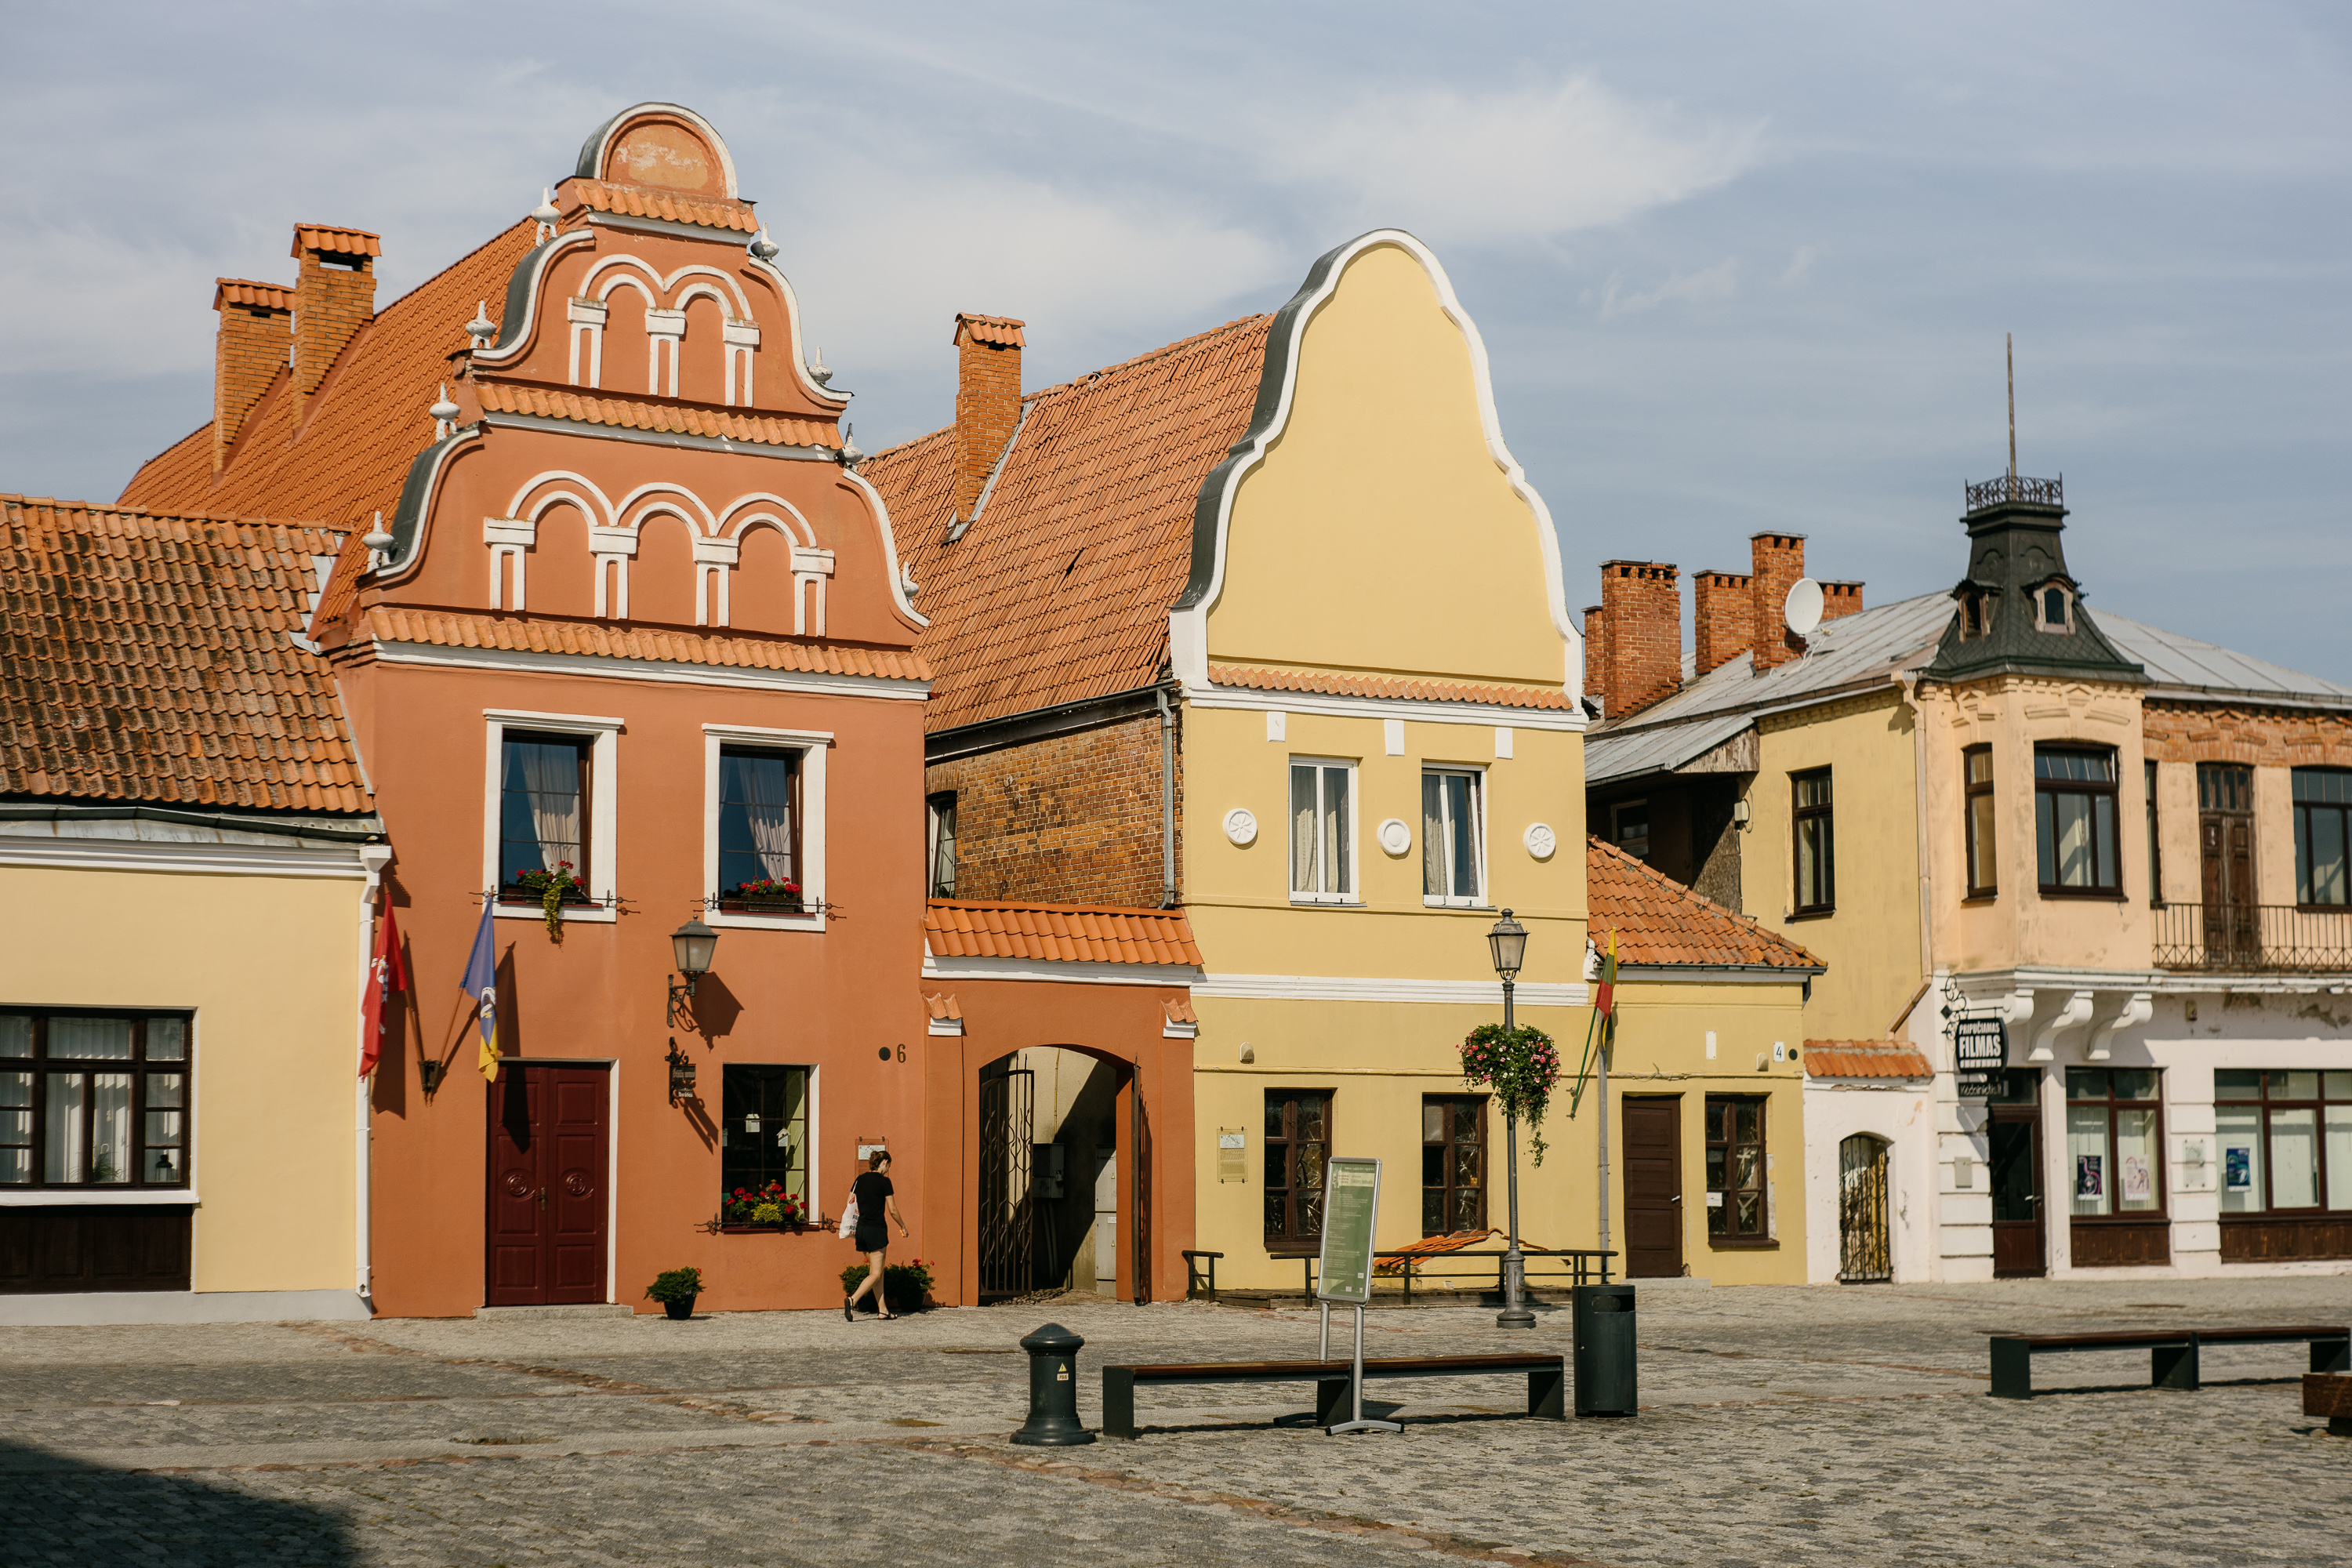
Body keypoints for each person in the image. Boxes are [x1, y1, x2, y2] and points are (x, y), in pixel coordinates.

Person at [843, 1149, 908, 1320]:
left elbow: (850, 1200)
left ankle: (883, 1310)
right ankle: (853, 1300)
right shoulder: (885, 1182)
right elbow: (892, 1210)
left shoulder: (860, 1179)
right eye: (889, 1166)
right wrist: (903, 1226)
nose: (888, 1170)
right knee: (877, 1273)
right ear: (885, 1162)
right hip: (876, 1230)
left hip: (861, 1230)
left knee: (877, 1272)